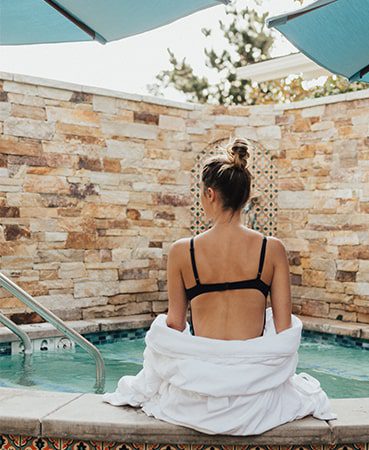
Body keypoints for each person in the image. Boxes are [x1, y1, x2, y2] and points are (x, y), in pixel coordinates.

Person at [102, 137, 337, 435]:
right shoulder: (272, 249)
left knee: (160, 329)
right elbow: (283, 330)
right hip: (255, 398)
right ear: (246, 196)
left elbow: (174, 324)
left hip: (195, 399)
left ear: (210, 194)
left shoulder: (181, 251)